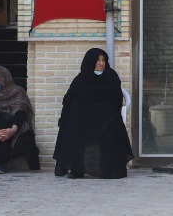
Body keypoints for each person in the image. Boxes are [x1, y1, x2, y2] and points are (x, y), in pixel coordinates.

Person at [52, 47, 133, 179]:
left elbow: (116, 98)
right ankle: (76, 168)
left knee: (113, 125)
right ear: (90, 62)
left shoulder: (111, 76)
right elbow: (70, 97)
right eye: (98, 60)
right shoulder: (81, 78)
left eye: (103, 60)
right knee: (72, 123)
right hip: (84, 117)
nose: (101, 63)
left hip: (106, 116)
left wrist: (96, 103)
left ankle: (109, 168)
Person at [0, 64, 40, 174]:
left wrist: (11, 131)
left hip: (17, 131)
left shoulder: (18, 91)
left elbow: (20, 113)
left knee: (24, 137)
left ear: (2, 77)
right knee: (4, 119)